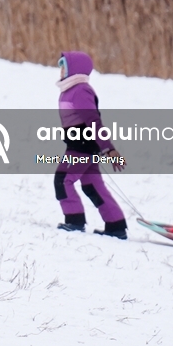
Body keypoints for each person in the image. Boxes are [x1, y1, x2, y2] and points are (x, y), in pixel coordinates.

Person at [54, 51, 129, 239]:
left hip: (82, 147)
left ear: (74, 69)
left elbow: (94, 121)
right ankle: (115, 225)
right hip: (81, 146)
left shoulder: (80, 90)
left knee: (63, 180)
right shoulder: (70, 90)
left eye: (64, 66)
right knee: (92, 185)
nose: (61, 70)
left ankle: (75, 221)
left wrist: (108, 148)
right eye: (60, 66)